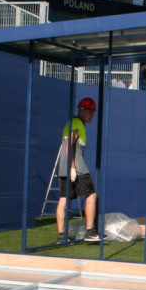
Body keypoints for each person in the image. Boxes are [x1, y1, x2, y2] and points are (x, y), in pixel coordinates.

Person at [56, 97, 101, 242]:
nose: (92, 115)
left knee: (63, 199)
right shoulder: (77, 123)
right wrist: (73, 167)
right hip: (76, 167)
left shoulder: (72, 123)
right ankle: (90, 232)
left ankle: (61, 236)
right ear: (83, 111)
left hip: (64, 166)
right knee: (92, 195)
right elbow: (70, 145)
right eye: (91, 112)